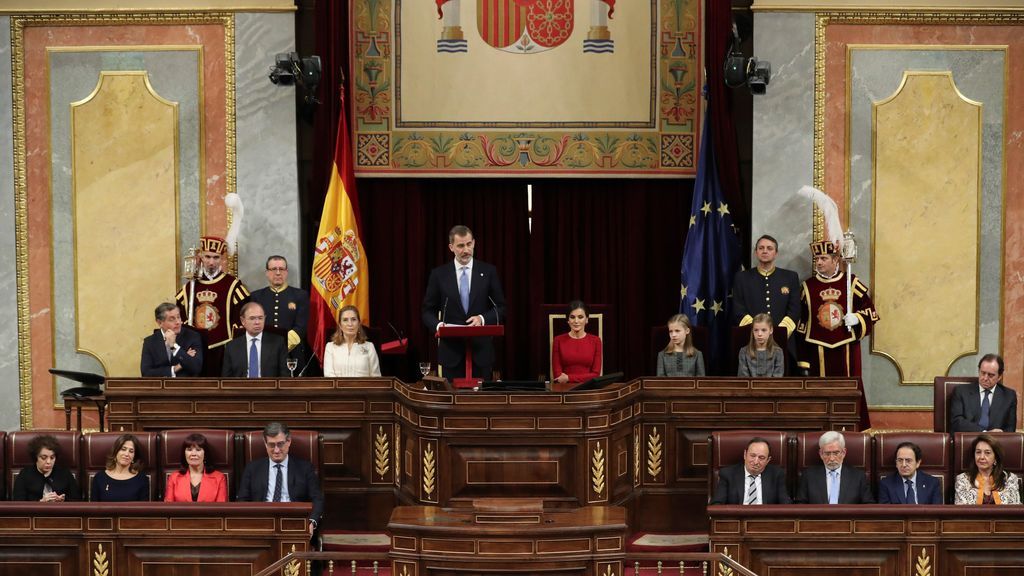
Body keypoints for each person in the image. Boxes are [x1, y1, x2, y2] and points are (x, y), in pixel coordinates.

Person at [421, 225, 506, 381]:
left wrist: (482, 318)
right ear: (451, 247)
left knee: (481, 397)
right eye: (460, 246)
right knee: (453, 396)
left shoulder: (488, 272)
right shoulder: (439, 275)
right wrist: (439, 326)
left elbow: (501, 307)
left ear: (474, 243)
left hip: (481, 352)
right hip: (451, 353)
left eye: (469, 244)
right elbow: (427, 311)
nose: (466, 250)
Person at [796, 240, 879, 378]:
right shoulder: (808, 287)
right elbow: (802, 325)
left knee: (848, 388)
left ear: (835, 260)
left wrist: (857, 318)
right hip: (817, 349)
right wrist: (803, 360)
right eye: (817, 259)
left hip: (847, 347)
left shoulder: (851, 283)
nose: (819, 262)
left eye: (824, 258)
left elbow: (871, 312)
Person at [176, 236, 250, 376]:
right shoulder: (189, 287)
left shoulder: (232, 285)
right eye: (207, 257)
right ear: (201, 257)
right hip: (196, 349)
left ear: (222, 259)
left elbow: (241, 320)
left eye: (216, 257)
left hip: (223, 348)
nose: (211, 262)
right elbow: (180, 319)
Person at [237, 422, 323, 535]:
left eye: (280, 444)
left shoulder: (305, 468)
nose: (276, 450)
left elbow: (317, 499)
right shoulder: (252, 469)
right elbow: (242, 501)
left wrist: (311, 522)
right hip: (262, 523)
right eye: (271, 445)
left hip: (294, 521)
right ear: (265, 444)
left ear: (289, 441)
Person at [732, 235, 801, 337]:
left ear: (776, 253)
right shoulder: (742, 278)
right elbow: (738, 309)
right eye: (761, 248)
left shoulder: (790, 277)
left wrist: (780, 333)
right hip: (751, 338)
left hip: (782, 339)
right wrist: (757, 332)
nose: (765, 251)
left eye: (769, 248)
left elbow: (794, 310)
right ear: (756, 252)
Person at [249, 255, 310, 371]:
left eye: (281, 269)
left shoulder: (300, 295)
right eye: (273, 269)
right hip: (263, 353)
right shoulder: (256, 296)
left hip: (292, 355)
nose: (278, 273)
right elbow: (252, 326)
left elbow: (301, 327)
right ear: (267, 273)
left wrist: (280, 347)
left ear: (286, 272)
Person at [795, 430, 874, 504]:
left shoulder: (858, 477)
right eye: (827, 454)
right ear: (821, 454)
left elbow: (868, 505)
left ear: (843, 453)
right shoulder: (808, 476)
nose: (832, 459)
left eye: (836, 453)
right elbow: (800, 505)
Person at [710, 437, 791, 505]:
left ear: (768, 460)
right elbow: (717, 504)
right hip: (737, 518)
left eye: (761, 458)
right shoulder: (728, 474)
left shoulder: (777, 475)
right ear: (745, 455)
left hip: (766, 518)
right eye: (752, 456)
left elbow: (786, 505)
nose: (756, 462)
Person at [950, 354, 1017, 433]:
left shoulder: (1009, 396)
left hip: (995, 440)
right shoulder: (961, 391)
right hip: (968, 438)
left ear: (999, 377)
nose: (985, 378)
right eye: (983, 373)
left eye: (990, 375)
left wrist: (1000, 433)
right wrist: (984, 433)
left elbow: (1010, 429)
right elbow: (956, 422)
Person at [222, 302, 289, 378]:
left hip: (269, 385)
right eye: (252, 318)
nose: (257, 322)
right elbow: (226, 379)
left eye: (260, 318)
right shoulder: (231, 347)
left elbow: (285, 376)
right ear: (243, 321)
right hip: (241, 385)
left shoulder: (278, 343)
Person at [954, 434, 1021, 505]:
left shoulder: (1009, 479)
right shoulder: (963, 480)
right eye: (978, 452)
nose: (982, 457)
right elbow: (961, 509)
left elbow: (1014, 508)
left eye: (987, 453)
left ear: (995, 457)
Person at [140, 302, 203, 377]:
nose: (178, 322)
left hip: (185, 383)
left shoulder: (192, 336)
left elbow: (196, 368)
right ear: (160, 323)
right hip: (161, 384)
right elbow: (146, 373)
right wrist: (177, 367)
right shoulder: (150, 342)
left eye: (178, 317)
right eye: (172, 319)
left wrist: (174, 347)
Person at [551, 300, 602, 391]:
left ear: (586, 319)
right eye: (572, 317)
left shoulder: (596, 341)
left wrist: (569, 378)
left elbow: (595, 375)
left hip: (588, 390)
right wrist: (582, 378)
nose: (576, 321)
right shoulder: (558, 340)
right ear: (568, 320)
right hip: (565, 390)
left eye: (580, 317)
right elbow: (558, 376)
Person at [12, 435, 79, 502]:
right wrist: (41, 502)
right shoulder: (24, 475)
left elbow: (76, 501)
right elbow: (18, 503)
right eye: (44, 458)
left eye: (52, 458)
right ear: (36, 457)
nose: (48, 462)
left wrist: (63, 500)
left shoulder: (65, 474)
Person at [164, 433, 228, 502]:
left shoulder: (219, 478)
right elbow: (168, 506)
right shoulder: (174, 478)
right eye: (189, 450)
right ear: (184, 453)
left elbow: (221, 507)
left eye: (198, 450)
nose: (193, 454)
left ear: (205, 454)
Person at [323, 305, 381, 377]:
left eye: (353, 319)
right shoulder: (330, 347)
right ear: (340, 325)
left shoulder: (369, 347)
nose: (350, 324)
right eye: (345, 320)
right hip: (338, 385)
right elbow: (329, 376)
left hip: (364, 385)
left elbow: (376, 377)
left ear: (359, 323)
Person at [878, 441, 942, 504]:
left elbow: (937, 509)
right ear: (896, 463)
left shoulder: (932, 483)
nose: (904, 465)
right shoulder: (886, 484)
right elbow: (885, 510)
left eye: (908, 460)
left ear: (918, 463)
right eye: (900, 460)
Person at [91, 434, 149, 501]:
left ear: (134, 457)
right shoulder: (99, 478)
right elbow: (93, 506)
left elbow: (143, 507)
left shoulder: (142, 479)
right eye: (123, 449)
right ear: (115, 452)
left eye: (131, 451)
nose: (126, 454)